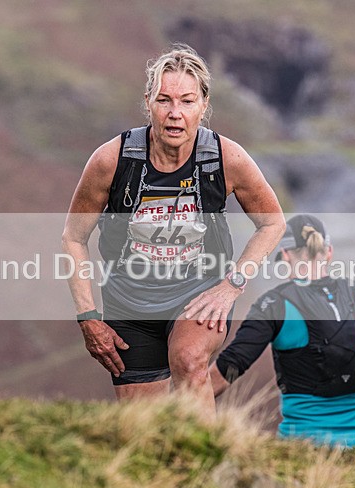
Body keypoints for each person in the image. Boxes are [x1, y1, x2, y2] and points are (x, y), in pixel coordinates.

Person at [61, 44, 285, 415]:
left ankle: (210, 465)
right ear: (148, 102)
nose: (175, 113)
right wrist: (88, 317)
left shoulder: (225, 158)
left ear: (203, 105)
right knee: (142, 429)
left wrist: (232, 285)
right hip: (129, 304)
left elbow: (273, 222)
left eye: (187, 101)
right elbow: (73, 237)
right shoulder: (111, 161)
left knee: (189, 358)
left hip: (199, 294)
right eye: (164, 100)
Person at [209, 214, 355, 447]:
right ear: (328, 252)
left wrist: (183, 409)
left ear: (285, 256)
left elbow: (231, 366)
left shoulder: (274, 305)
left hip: (307, 445)